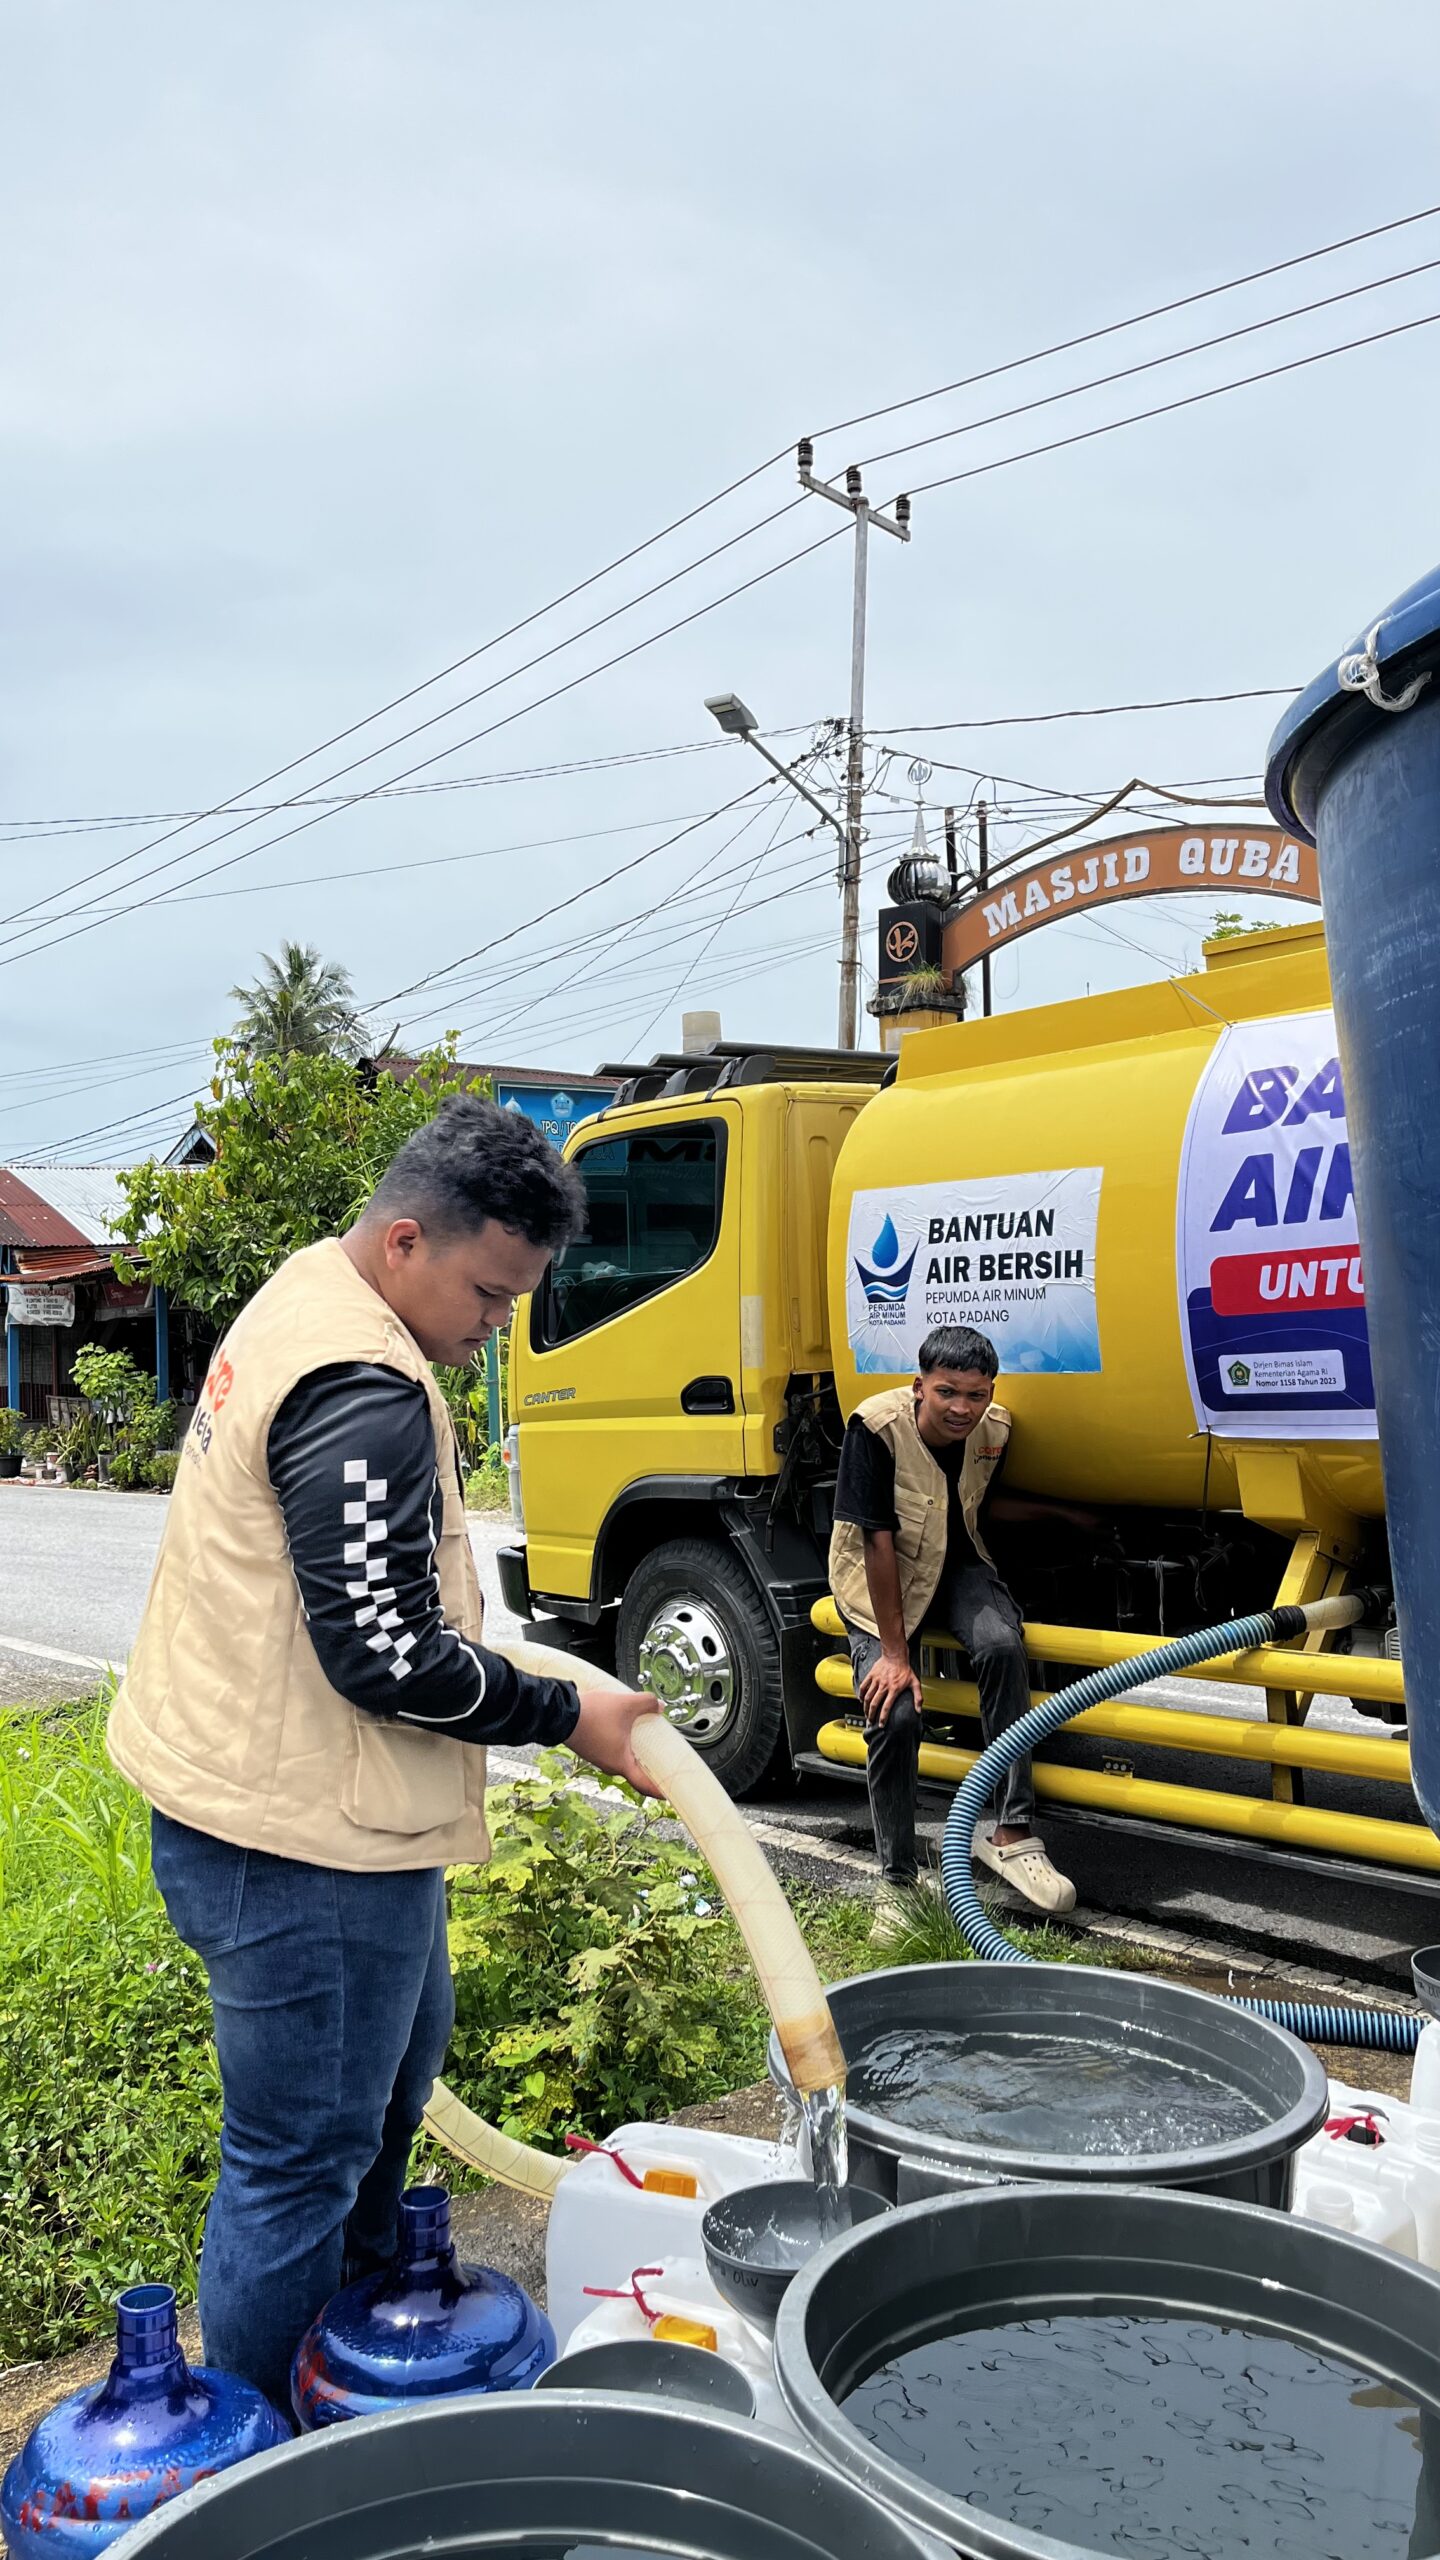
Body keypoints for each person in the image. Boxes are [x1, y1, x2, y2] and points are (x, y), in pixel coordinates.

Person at [108, 1095, 662, 2411]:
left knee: (375, 2113)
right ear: (407, 1240)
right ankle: (266, 2458)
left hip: (317, 1819)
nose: (495, 1329)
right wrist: (562, 1715)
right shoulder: (357, 1386)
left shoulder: (314, 1290)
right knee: (301, 2160)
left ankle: (341, 2387)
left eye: (518, 1299)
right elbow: (388, 1657)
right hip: (297, 1845)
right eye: (487, 1293)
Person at [829, 1323, 1080, 1936]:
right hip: (877, 1579)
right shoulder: (874, 1428)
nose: (962, 1408)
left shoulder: (996, 1429)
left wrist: (1070, 1515)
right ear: (919, 1387)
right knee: (898, 1712)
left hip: (956, 1562)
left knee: (1001, 1646)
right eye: (947, 1393)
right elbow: (877, 1540)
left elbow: (974, 1507)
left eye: (976, 1394)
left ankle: (1012, 1833)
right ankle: (895, 1876)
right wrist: (895, 1655)